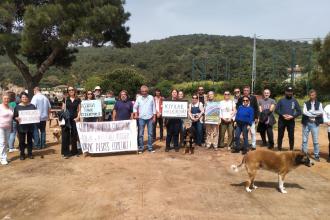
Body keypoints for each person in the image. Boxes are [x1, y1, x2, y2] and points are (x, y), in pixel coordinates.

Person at [275, 86, 302, 151]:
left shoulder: (294, 101)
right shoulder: (281, 100)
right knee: (280, 136)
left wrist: (292, 116)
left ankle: (291, 149)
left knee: (291, 136)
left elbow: (299, 111)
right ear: (285, 92)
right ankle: (279, 149)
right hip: (282, 121)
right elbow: (276, 110)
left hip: (291, 121)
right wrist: (282, 115)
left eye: (291, 92)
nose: (290, 93)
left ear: (292, 92)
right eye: (288, 92)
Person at [301, 89, 323, 162]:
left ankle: (316, 155)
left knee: (315, 141)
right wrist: (315, 113)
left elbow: (321, 112)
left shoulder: (319, 104)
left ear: (315, 95)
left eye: (313, 95)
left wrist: (311, 112)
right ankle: (304, 155)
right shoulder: (305, 103)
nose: (312, 96)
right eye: (310, 95)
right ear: (309, 96)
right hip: (306, 123)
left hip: (314, 124)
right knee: (304, 140)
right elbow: (304, 113)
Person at [133, 85, 156, 153]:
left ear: (147, 91)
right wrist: (136, 114)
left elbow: (154, 107)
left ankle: (150, 148)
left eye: (145, 91)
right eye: (142, 91)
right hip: (141, 118)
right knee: (140, 134)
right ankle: (141, 148)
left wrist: (154, 116)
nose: (144, 92)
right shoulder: (139, 98)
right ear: (141, 91)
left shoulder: (151, 97)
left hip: (150, 118)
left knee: (150, 134)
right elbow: (134, 107)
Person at [14, 92, 36, 160]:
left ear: (28, 98)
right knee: (21, 141)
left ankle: (30, 153)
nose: (24, 98)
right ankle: (22, 154)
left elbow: (36, 115)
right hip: (21, 127)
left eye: (26, 97)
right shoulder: (17, 107)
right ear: (21, 98)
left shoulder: (32, 106)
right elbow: (14, 116)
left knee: (30, 141)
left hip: (30, 126)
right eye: (23, 97)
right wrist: (16, 118)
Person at [61, 87, 81, 158]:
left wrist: (78, 117)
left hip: (74, 119)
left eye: (72, 90)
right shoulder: (65, 99)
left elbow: (79, 110)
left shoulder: (78, 99)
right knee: (65, 135)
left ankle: (74, 152)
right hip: (67, 119)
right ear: (68, 92)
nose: (71, 91)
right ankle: (65, 153)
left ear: (75, 91)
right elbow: (63, 109)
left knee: (74, 135)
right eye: (69, 90)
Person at [0, 92, 14, 165]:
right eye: (5, 98)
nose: (6, 100)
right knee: (2, 142)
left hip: (8, 127)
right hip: (1, 127)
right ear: (2, 99)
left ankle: (4, 157)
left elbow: (12, 117)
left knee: (6, 143)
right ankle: (2, 158)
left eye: (8, 98)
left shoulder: (11, 107)